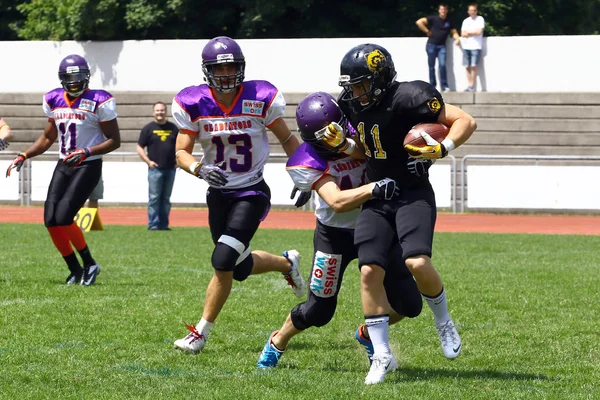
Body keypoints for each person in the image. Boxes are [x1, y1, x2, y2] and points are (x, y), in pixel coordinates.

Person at [322, 43, 476, 383]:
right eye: (352, 84)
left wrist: (443, 147)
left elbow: (466, 120)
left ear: (380, 78)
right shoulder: (351, 103)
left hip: (412, 192)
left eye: (361, 83)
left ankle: (444, 324)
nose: (354, 91)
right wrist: (344, 146)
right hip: (378, 197)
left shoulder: (411, 97)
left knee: (416, 262)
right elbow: (367, 148)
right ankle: (382, 355)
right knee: (368, 271)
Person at [257, 92, 425, 386]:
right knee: (318, 310)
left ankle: (367, 333)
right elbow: (336, 201)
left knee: (410, 304)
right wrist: (374, 189)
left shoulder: (359, 130)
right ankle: (278, 339)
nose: (336, 138)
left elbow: (378, 151)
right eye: (327, 136)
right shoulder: (305, 159)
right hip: (335, 234)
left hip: (378, 227)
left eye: (339, 128)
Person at [170, 36, 306, 354]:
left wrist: (305, 176)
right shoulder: (194, 102)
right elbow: (180, 151)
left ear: (241, 67)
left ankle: (199, 333)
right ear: (207, 71)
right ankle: (287, 264)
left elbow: (287, 138)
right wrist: (198, 169)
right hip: (218, 194)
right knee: (239, 268)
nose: (227, 73)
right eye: (220, 68)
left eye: (232, 66)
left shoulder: (260, 97)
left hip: (251, 191)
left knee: (222, 259)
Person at [5, 54, 121, 286]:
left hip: (88, 164)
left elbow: (114, 140)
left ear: (87, 76)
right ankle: (74, 269)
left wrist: (87, 151)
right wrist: (24, 154)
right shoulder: (54, 99)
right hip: (64, 163)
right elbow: (48, 137)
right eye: (69, 77)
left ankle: (90, 264)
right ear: (62, 79)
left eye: (78, 76)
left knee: (65, 216)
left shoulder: (100, 100)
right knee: (50, 220)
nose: (74, 81)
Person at [137, 101, 179, 230]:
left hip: (170, 168)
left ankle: (164, 224)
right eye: (157, 110)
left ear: (166, 112)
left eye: (162, 110)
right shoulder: (148, 128)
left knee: (166, 199)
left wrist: (178, 161)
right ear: (153, 112)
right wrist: (148, 161)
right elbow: (139, 147)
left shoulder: (173, 128)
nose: (160, 113)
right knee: (154, 198)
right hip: (155, 169)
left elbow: (181, 145)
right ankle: (153, 224)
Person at [416, 3, 460, 92]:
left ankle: (444, 86)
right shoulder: (433, 18)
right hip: (431, 45)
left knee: (442, 65)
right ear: (439, 10)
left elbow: (454, 32)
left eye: (444, 9)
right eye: (441, 9)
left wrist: (457, 39)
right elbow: (419, 22)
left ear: (446, 11)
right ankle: (432, 86)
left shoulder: (449, 21)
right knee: (431, 66)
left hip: (442, 47)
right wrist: (427, 31)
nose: (443, 11)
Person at [460, 3, 485, 91]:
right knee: (467, 66)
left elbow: (479, 32)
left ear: (476, 11)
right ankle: (469, 85)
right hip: (466, 46)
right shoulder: (466, 21)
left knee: (474, 66)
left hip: (476, 46)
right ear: (468, 11)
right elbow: (463, 34)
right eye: (471, 10)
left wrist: (468, 33)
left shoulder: (480, 19)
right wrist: (473, 32)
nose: (472, 12)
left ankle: (472, 86)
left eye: (474, 10)